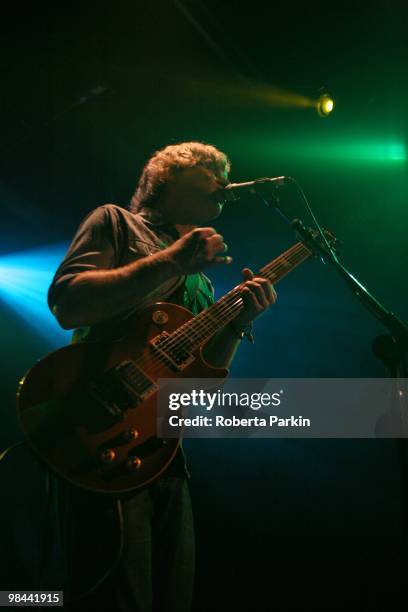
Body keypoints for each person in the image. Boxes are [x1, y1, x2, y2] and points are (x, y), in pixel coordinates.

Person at [46, 141, 277, 611]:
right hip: (95, 433)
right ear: (167, 178)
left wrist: (235, 324)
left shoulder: (204, 281)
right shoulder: (115, 221)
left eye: (223, 171)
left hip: (162, 452)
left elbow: (196, 391)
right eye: (209, 170)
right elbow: (68, 304)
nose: (222, 179)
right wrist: (171, 259)